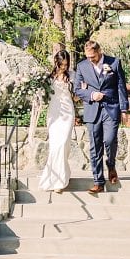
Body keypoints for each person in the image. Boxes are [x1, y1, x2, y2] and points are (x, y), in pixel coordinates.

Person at [74, 40, 129, 194]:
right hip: (92, 110)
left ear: (99, 52)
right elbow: (77, 89)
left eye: (93, 56)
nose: (90, 59)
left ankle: (111, 165)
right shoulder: (82, 66)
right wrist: (91, 94)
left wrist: (124, 109)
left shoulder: (114, 63)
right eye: (88, 57)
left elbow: (121, 87)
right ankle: (98, 181)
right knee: (95, 146)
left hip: (111, 108)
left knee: (110, 140)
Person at [38, 50, 75, 193]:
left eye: (66, 64)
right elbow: (44, 95)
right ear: (56, 62)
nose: (64, 67)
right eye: (61, 64)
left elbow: (76, 96)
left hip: (67, 112)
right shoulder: (49, 77)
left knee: (64, 144)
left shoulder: (72, 75)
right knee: (55, 146)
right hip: (54, 112)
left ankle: (61, 178)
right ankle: (56, 179)